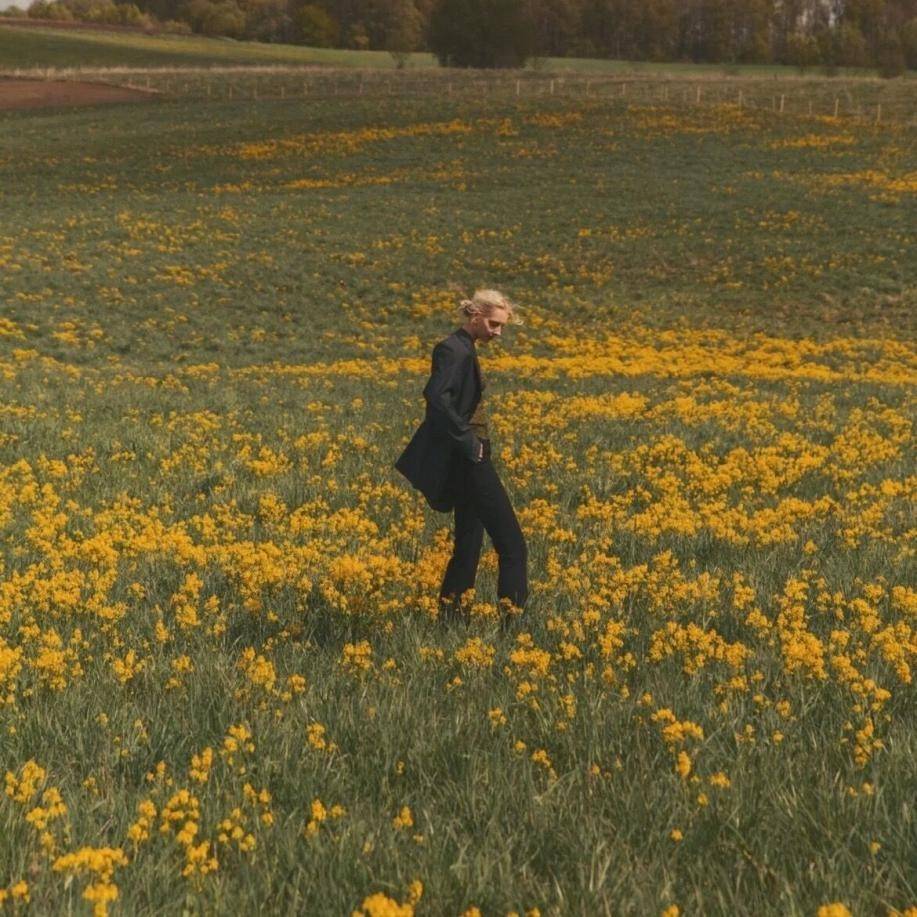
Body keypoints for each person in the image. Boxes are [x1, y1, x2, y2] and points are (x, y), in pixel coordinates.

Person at [394, 290, 528, 621]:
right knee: (513, 546)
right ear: (476, 316)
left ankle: (450, 620)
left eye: (502, 327)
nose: (498, 333)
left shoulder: (463, 348)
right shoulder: (454, 350)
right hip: (471, 457)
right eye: (495, 325)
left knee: (468, 544)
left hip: (470, 453)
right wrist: (470, 443)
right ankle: (512, 625)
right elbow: (436, 397)